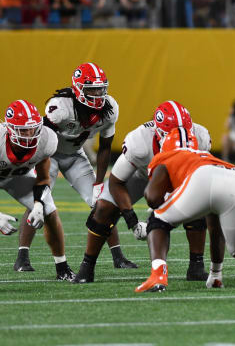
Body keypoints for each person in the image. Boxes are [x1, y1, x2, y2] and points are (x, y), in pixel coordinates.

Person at [74, 100, 213, 283]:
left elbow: (198, 179)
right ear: (158, 132)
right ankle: (87, 267)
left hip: (178, 177)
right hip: (141, 175)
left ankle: (196, 267)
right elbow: (117, 182)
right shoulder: (139, 142)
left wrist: (169, 201)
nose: (179, 137)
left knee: (198, 206)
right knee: (103, 208)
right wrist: (131, 219)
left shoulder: (201, 136)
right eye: (171, 133)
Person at [15, 63, 136, 272]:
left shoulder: (109, 108)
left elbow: (106, 147)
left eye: (101, 89)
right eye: (92, 89)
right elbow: (42, 139)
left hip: (75, 156)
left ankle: (118, 256)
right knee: (39, 202)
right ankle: (22, 257)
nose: (98, 94)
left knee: (102, 203)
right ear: (79, 89)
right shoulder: (60, 107)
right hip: (49, 155)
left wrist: (99, 183)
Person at [138, 128, 235, 292]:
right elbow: (214, 227)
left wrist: (157, 220)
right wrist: (215, 273)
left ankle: (158, 276)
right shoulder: (205, 155)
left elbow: (152, 197)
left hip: (202, 177)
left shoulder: (166, 156)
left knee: (157, 220)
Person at [2, 100, 75, 280]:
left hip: (17, 177)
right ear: (9, 129)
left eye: (32, 128)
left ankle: (62, 268)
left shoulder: (47, 139)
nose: (28, 134)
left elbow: (43, 178)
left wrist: (38, 204)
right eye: (22, 130)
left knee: (50, 210)